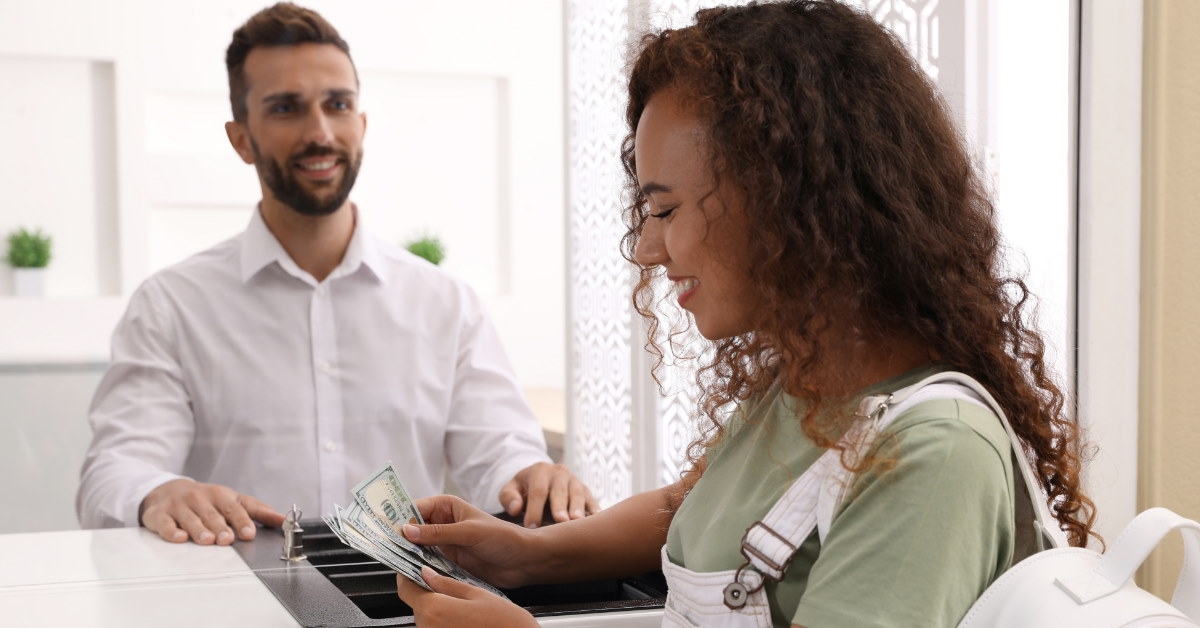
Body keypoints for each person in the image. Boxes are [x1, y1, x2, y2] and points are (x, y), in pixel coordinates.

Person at [393, 1, 1097, 626]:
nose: (645, 250)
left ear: (789, 201)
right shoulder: (804, 387)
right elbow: (696, 508)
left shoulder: (933, 454)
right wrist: (527, 555)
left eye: (664, 209)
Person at [75, 2, 596, 545]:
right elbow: (114, 475)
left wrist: (532, 480)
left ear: (361, 125)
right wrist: (158, 491)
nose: (319, 132)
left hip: (406, 609)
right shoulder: (171, 305)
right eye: (286, 108)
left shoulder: (445, 304)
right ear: (241, 139)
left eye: (338, 104)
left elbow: (499, 458)